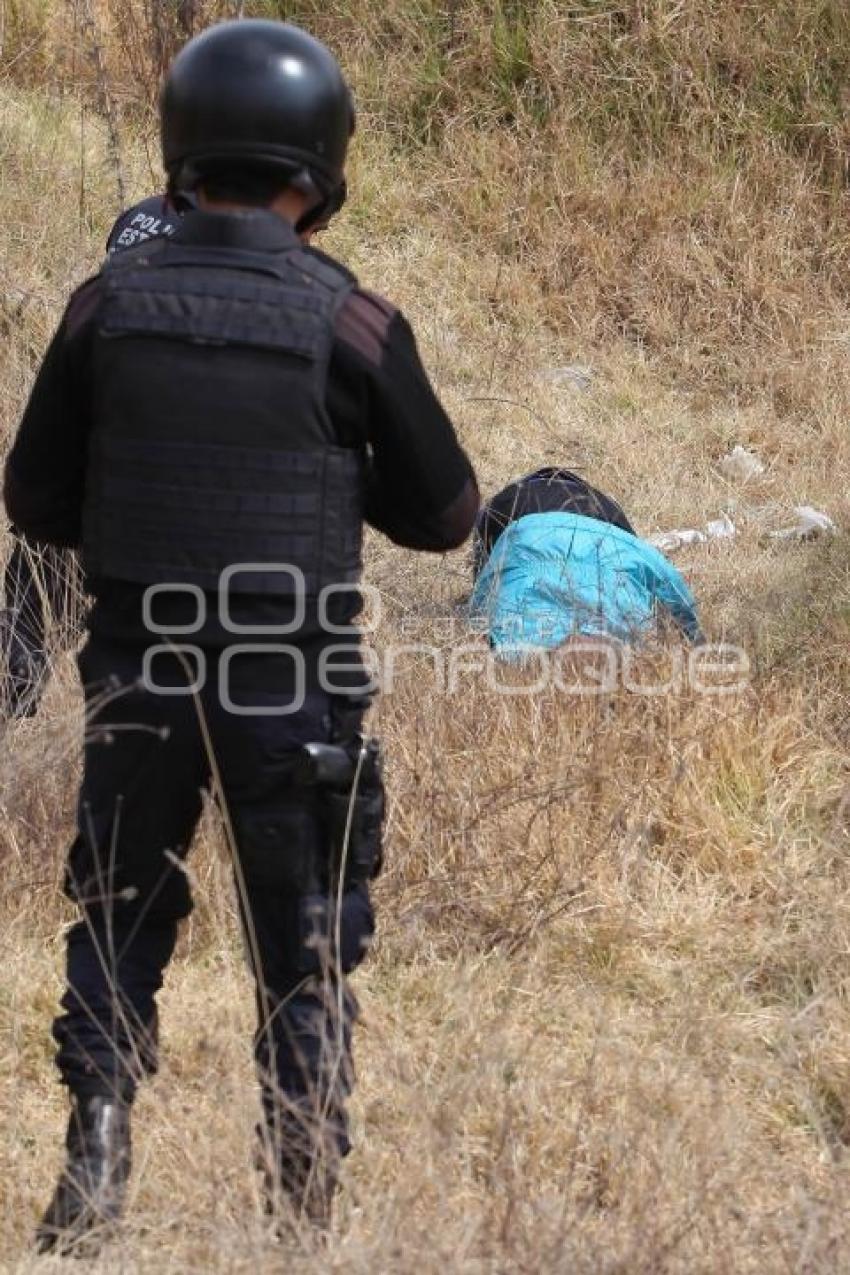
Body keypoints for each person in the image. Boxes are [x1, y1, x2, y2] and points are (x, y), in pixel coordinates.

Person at [5, 19, 478, 1253]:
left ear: (180, 152)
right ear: (319, 168)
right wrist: (332, 473)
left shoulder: (102, 306)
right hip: (292, 683)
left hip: (139, 670)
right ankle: (298, 1209)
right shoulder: (351, 322)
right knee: (303, 941)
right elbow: (449, 516)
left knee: (119, 911)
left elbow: (33, 504)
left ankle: (97, 1142)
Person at [0, 191, 196, 720]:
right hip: (163, 482)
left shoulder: (139, 217)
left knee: (24, 629)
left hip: (85, 454)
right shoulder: (239, 237)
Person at [470, 467, 700, 655]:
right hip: (563, 526)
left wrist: (695, 639)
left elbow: (483, 595)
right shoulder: (511, 647)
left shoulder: (512, 645)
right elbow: (669, 580)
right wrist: (695, 637)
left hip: (529, 524)